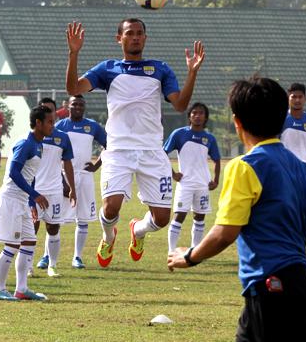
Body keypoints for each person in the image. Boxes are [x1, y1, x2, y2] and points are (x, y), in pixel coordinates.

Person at [167, 76, 306, 342]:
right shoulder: (304, 170)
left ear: (237, 122)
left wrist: (190, 256)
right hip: (300, 283)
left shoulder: (245, 166)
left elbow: (225, 233)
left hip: (270, 286)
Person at [65, 18, 205, 267]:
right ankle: (109, 236)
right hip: (118, 150)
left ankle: (137, 231)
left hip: (152, 151)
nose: (136, 37)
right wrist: (74, 54)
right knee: (111, 208)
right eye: (130, 33)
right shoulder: (107, 69)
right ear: (119, 38)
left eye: (140, 33)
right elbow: (73, 87)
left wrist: (192, 72)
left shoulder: (160, 69)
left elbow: (180, 105)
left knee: (162, 219)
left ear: (145, 38)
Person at [0, 105, 55, 301]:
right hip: (10, 199)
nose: (52, 126)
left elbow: (31, 176)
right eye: (50, 122)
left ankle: (21, 289)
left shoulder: (40, 144)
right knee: (12, 245)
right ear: (38, 123)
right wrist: (35, 195)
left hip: (22, 201)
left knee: (29, 241)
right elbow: (14, 172)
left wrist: (30, 202)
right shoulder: (26, 143)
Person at [55, 95, 107, 269]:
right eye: (74, 104)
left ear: (84, 107)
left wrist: (97, 165)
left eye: (81, 104)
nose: (78, 106)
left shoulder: (92, 126)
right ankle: (48, 256)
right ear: (68, 106)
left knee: (83, 218)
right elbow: (52, 151)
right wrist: (59, 176)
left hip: (85, 176)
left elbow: (109, 145)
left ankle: (77, 257)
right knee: (55, 218)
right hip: (65, 176)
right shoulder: (60, 126)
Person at [164, 102, 221, 253]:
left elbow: (216, 159)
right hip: (185, 184)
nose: (197, 116)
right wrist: (173, 173)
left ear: (206, 117)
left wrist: (215, 180)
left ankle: (195, 251)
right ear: (189, 116)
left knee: (200, 217)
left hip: (203, 185)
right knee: (179, 215)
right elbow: (162, 154)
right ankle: (171, 251)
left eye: (201, 113)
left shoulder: (209, 138)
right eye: (194, 113)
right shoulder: (179, 134)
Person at [31, 98, 77, 277]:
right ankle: (28, 266)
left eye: (51, 111)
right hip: (34, 191)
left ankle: (52, 266)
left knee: (53, 228)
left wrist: (72, 188)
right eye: (45, 111)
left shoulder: (62, 138)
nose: (49, 114)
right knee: (31, 228)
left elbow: (68, 165)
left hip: (55, 191)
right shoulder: (31, 137)